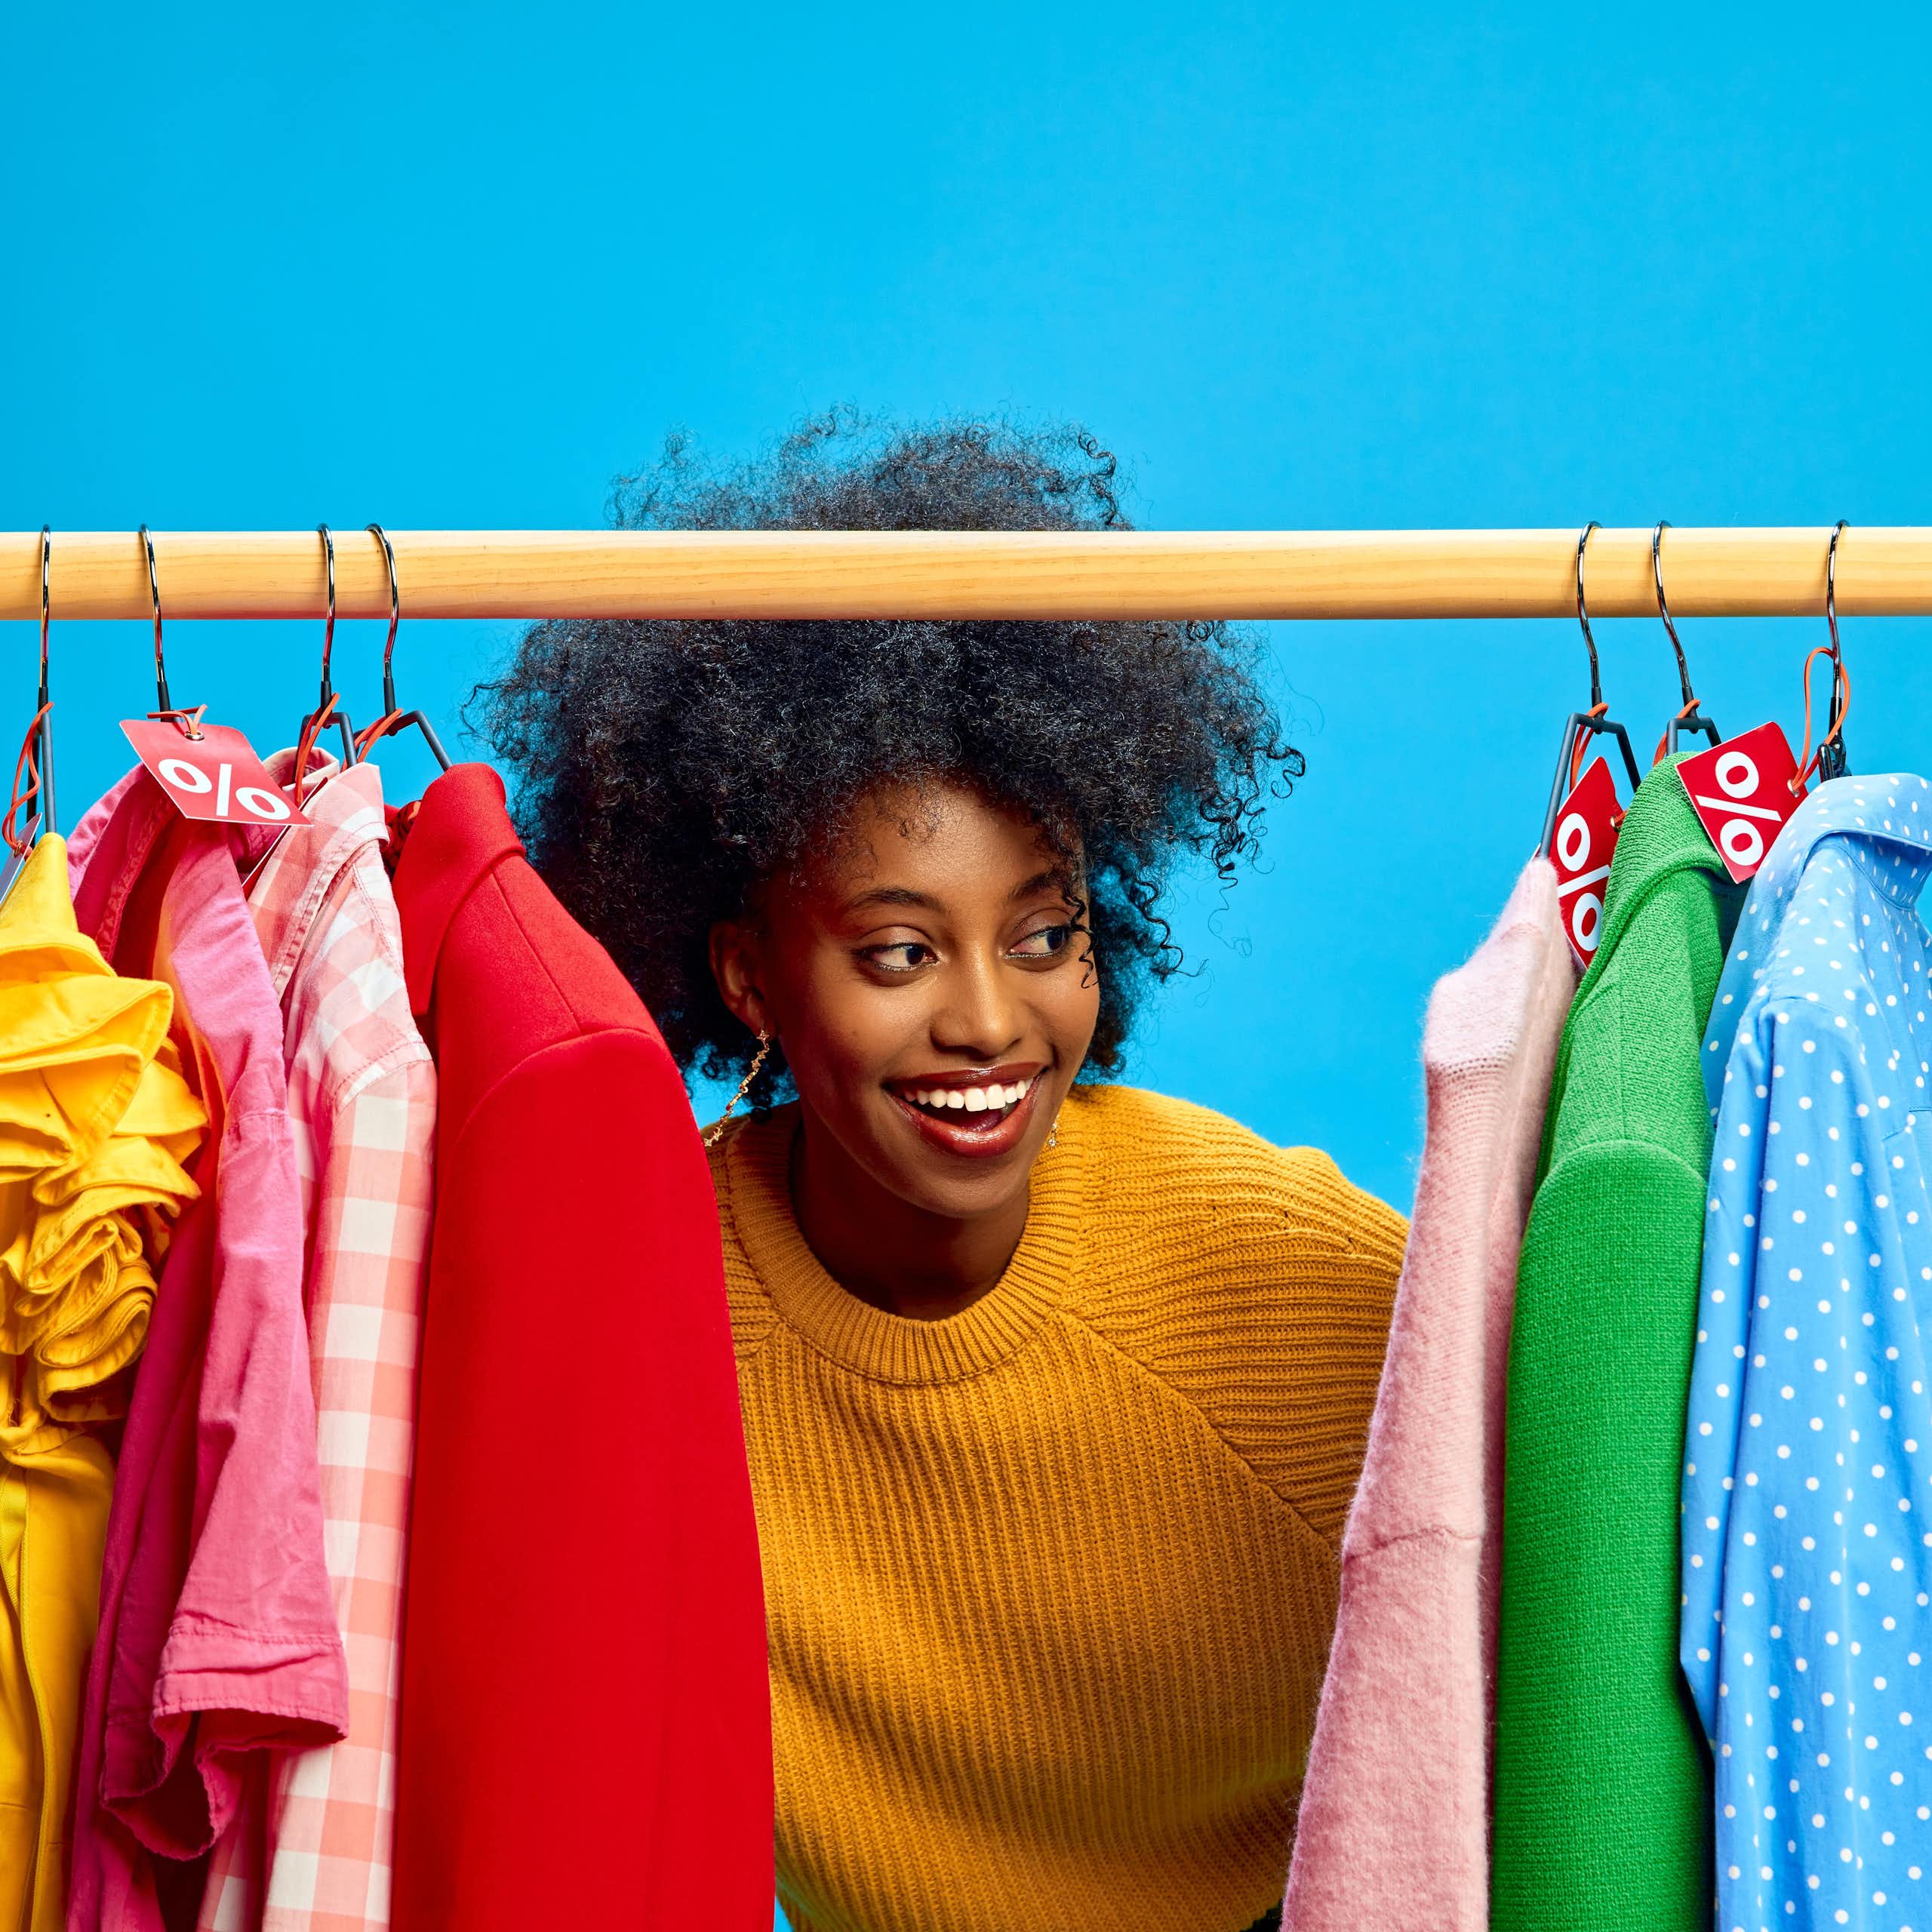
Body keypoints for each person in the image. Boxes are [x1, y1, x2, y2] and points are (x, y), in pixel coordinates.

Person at [478, 415, 1406, 1932]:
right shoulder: (644, 1300)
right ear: (748, 975)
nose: (987, 1017)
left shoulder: (1278, 1272)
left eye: (1044, 936)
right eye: (899, 950)